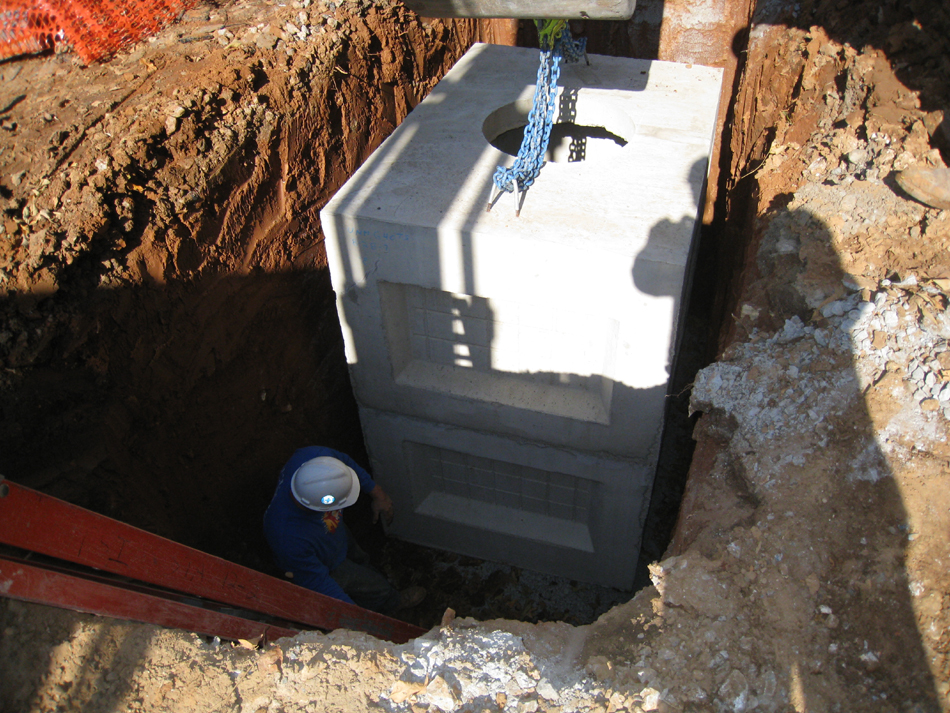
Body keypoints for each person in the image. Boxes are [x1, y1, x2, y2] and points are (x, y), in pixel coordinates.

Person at [263, 446, 425, 615]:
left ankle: (372, 576)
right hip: (328, 566)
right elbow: (319, 583)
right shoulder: (287, 538)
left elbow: (344, 465)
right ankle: (391, 603)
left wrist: (378, 494)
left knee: (362, 561)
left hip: (334, 534)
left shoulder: (313, 457)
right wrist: (354, 617)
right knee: (377, 589)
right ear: (320, 506)